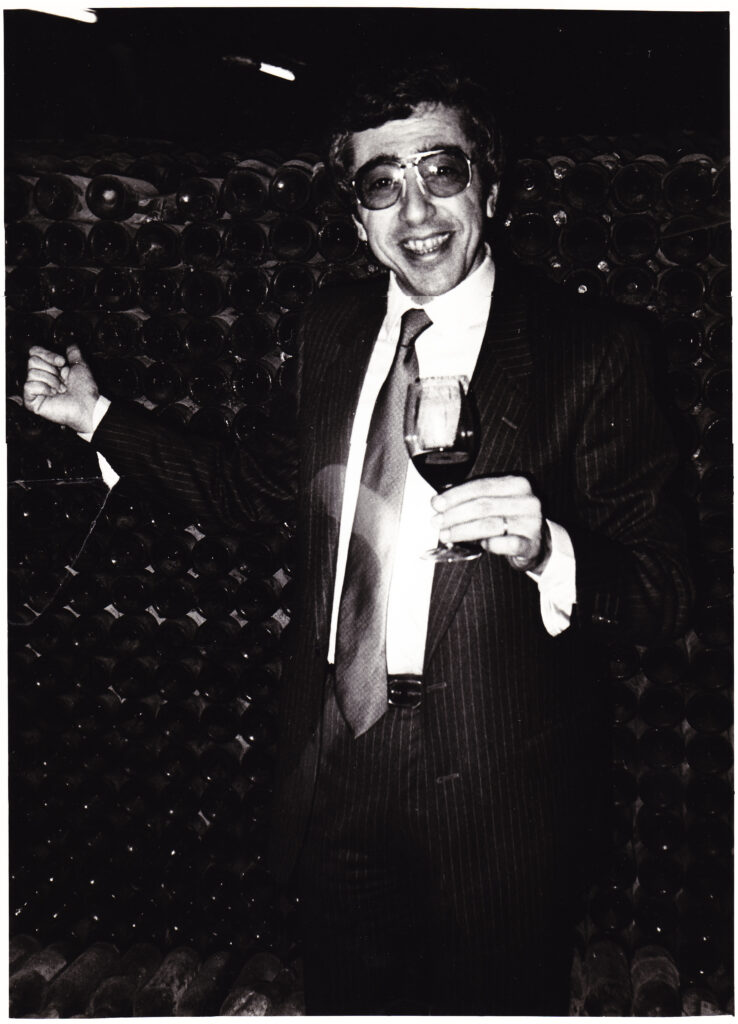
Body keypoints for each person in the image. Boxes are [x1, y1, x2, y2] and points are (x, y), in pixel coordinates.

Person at [23, 61, 691, 1015]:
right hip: (338, 758)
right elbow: (253, 490)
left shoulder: (595, 347)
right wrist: (95, 418)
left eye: (441, 171)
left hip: (500, 780)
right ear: (355, 216)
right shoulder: (332, 328)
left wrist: (551, 550)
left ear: (490, 188)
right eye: (382, 184)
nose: (415, 210)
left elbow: (666, 593)